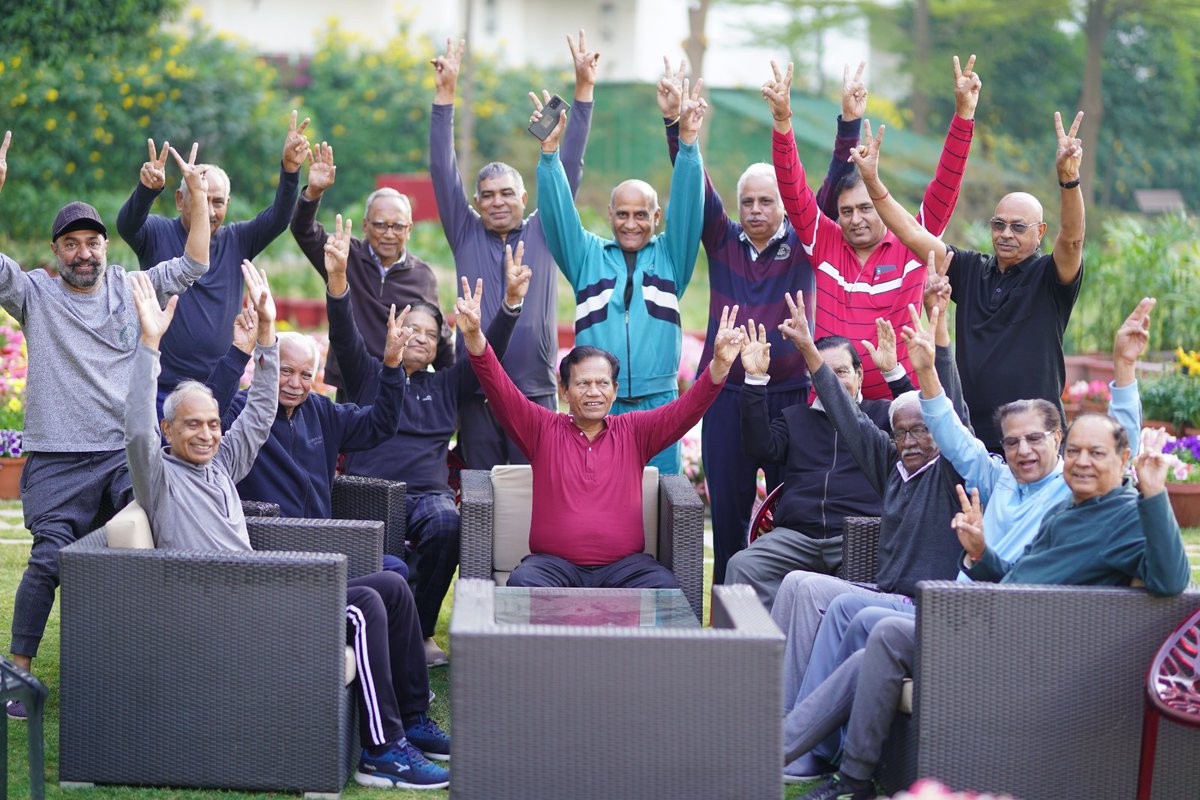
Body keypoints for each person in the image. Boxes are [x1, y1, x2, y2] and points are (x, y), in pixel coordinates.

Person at [782, 296, 1152, 783]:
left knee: (875, 623)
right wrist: (924, 372)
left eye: (1036, 439)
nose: (1022, 450)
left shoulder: (1072, 489)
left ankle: (799, 753)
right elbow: (948, 426)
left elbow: (1113, 448)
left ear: (1059, 439)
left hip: (991, 620)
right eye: (1013, 440)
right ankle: (817, 755)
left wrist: (1124, 368)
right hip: (959, 605)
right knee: (858, 621)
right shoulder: (996, 477)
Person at [125, 266, 450, 790]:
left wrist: (269, 334)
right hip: (229, 600)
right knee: (363, 606)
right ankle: (382, 751)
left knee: (391, 583)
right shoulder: (157, 475)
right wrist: (148, 344)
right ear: (167, 431)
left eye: (212, 424)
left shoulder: (221, 464)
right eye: (192, 425)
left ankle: (410, 722)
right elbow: (138, 424)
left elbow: (257, 411)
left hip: (261, 584)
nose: (207, 433)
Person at [786, 419, 1190, 800]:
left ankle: (833, 770)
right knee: (869, 648)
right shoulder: (1069, 511)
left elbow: (1171, 581)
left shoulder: (1127, 517)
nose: (1082, 461)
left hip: (1034, 653)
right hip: (1003, 628)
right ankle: (813, 763)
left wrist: (1154, 493)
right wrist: (981, 553)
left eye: (1097, 453)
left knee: (888, 633)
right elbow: (1018, 573)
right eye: (1076, 451)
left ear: (1123, 460)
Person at [1, 133, 212, 712]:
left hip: (121, 456)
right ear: (56, 251)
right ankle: (16, 672)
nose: (85, 253)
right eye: (72, 245)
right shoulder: (35, 295)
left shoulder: (130, 285)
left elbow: (197, 262)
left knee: (152, 533)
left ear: (104, 247)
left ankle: (155, 658)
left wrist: (195, 196)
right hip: (56, 460)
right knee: (49, 556)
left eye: (93, 242)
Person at [657, 58, 862, 583]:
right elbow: (692, 186)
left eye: (765, 200)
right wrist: (677, 128)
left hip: (790, 394)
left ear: (783, 205)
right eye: (746, 200)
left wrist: (849, 122)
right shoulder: (723, 239)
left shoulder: (805, 243)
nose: (753, 209)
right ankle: (727, 619)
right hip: (726, 395)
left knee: (788, 511)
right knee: (725, 511)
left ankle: (780, 611)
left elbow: (837, 178)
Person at [769, 259, 967, 722]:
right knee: (798, 584)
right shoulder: (893, 466)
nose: (912, 441)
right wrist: (810, 353)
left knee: (822, 597)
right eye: (902, 433)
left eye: (922, 431)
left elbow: (951, 408)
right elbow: (848, 416)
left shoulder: (952, 471)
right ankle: (772, 710)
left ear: (941, 433)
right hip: (881, 591)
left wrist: (939, 338)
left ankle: (800, 736)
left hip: (918, 603)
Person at [334, 225, 530, 667]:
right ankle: (355, 625)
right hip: (366, 492)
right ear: (392, 328)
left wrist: (510, 305)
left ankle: (419, 633)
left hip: (425, 496)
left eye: (429, 332)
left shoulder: (445, 385)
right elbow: (343, 330)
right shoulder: (366, 374)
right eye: (410, 328)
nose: (419, 337)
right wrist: (337, 282)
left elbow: (486, 355)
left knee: (448, 525)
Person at [462, 296, 745, 589]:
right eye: (583, 383)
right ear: (564, 390)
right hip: (552, 566)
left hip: (626, 568)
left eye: (602, 383)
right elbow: (500, 390)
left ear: (614, 390)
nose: (593, 392)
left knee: (665, 589)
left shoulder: (635, 431)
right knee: (522, 583)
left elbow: (685, 411)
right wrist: (474, 338)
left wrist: (720, 366)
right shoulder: (541, 428)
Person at [852, 108, 1086, 451]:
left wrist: (1068, 180)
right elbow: (912, 232)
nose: (1006, 234)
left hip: (1034, 436)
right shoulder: (971, 269)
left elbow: (1073, 239)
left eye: (1018, 227)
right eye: (998, 224)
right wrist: (872, 181)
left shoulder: (1049, 277)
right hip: (972, 433)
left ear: (1040, 233)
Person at [763, 56, 979, 398]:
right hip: (833, 405)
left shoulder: (913, 240)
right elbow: (792, 186)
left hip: (903, 405)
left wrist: (964, 115)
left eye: (866, 208)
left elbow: (946, 185)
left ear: (882, 204)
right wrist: (781, 120)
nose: (855, 219)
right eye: (846, 211)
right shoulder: (825, 240)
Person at [430, 33, 597, 469]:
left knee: (532, 496)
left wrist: (584, 91)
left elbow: (571, 166)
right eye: (488, 195)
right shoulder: (464, 231)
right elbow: (442, 168)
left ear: (525, 198)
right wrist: (444, 96)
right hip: (477, 389)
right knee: (481, 499)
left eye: (508, 193)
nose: (498, 201)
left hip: (534, 391)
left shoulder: (545, 231)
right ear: (477, 202)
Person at [536, 75, 708, 475]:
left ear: (656, 217)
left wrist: (688, 145)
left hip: (659, 403)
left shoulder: (671, 257)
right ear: (610, 215)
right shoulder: (586, 258)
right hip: (597, 404)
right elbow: (558, 214)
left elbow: (688, 205)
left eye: (642, 214)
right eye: (623, 214)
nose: (632, 224)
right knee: (599, 497)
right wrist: (549, 155)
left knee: (662, 502)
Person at [203, 217, 409, 519]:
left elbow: (380, 426)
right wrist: (239, 352)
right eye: (285, 371)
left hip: (320, 539)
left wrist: (392, 366)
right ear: (271, 366)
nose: (294, 384)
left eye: (305, 375)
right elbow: (207, 412)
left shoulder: (323, 413)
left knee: (394, 567)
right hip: (265, 537)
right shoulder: (241, 411)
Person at [116, 113, 308, 404]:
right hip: (160, 386)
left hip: (219, 384)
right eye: (201, 198)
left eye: (217, 201)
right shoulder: (157, 232)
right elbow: (127, 225)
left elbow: (279, 218)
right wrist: (146, 191)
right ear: (181, 201)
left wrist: (291, 170)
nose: (210, 210)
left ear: (227, 205)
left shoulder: (237, 240)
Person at [728, 320, 914, 609]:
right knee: (741, 566)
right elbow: (758, 447)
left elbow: (919, 423)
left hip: (859, 536)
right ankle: (760, 648)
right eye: (824, 374)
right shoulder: (795, 418)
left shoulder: (882, 415)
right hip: (796, 536)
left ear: (859, 374)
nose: (834, 382)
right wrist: (754, 380)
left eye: (841, 372)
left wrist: (893, 373)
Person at [290, 142, 454, 397]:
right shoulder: (345, 254)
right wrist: (313, 193)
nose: (389, 234)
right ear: (365, 226)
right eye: (380, 225)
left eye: (397, 226)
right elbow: (303, 230)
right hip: (352, 382)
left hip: (398, 383)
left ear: (409, 229)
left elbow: (437, 332)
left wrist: (452, 391)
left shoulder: (422, 275)